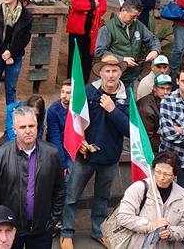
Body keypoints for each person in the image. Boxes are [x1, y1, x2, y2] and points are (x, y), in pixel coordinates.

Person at [59, 55, 130, 249]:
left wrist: (113, 110)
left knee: (102, 198)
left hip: (110, 158)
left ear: (120, 73)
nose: (111, 75)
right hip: (85, 156)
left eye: (115, 71)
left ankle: (98, 231)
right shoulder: (88, 91)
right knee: (71, 195)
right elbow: (74, 120)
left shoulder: (126, 96)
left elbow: (129, 129)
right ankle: (67, 232)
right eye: (107, 71)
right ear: (100, 73)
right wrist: (79, 141)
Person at [0, 106, 64, 249]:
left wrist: (52, 219)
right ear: (14, 130)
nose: (28, 131)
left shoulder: (52, 154)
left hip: (42, 229)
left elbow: (59, 190)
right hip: (9, 229)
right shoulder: (0, 156)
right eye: (22, 127)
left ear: (37, 127)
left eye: (31, 126)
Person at [116, 151, 184, 248]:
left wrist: (171, 232)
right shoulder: (138, 188)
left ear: (174, 174)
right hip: (137, 244)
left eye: (167, 174)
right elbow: (123, 217)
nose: (161, 177)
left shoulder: (182, 196)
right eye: (158, 172)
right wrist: (150, 225)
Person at [94, 0, 161, 86]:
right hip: (113, 78)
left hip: (131, 77)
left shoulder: (138, 25)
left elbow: (153, 39)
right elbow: (100, 51)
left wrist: (155, 51)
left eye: (137, 16)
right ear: (123, 10)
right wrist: (122, 60)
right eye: (132, 16)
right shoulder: (107, 28)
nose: (135, 19)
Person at [66, 0, 106, 83]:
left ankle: (84, 82)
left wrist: (86, 9)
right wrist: (93, 5)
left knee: (88, 56)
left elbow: (103, 8)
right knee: (74, 55)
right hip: (77, 28)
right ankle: (71, 81)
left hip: (92, 28)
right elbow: (76, 5)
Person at [45, 79, 73, 173]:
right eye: (62, 92)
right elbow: (54, 137)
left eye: (68, 93)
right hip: (59, 148)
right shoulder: (53, 109)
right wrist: (62, 162)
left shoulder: (79, 108)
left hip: (74, 147)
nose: (63, 96)